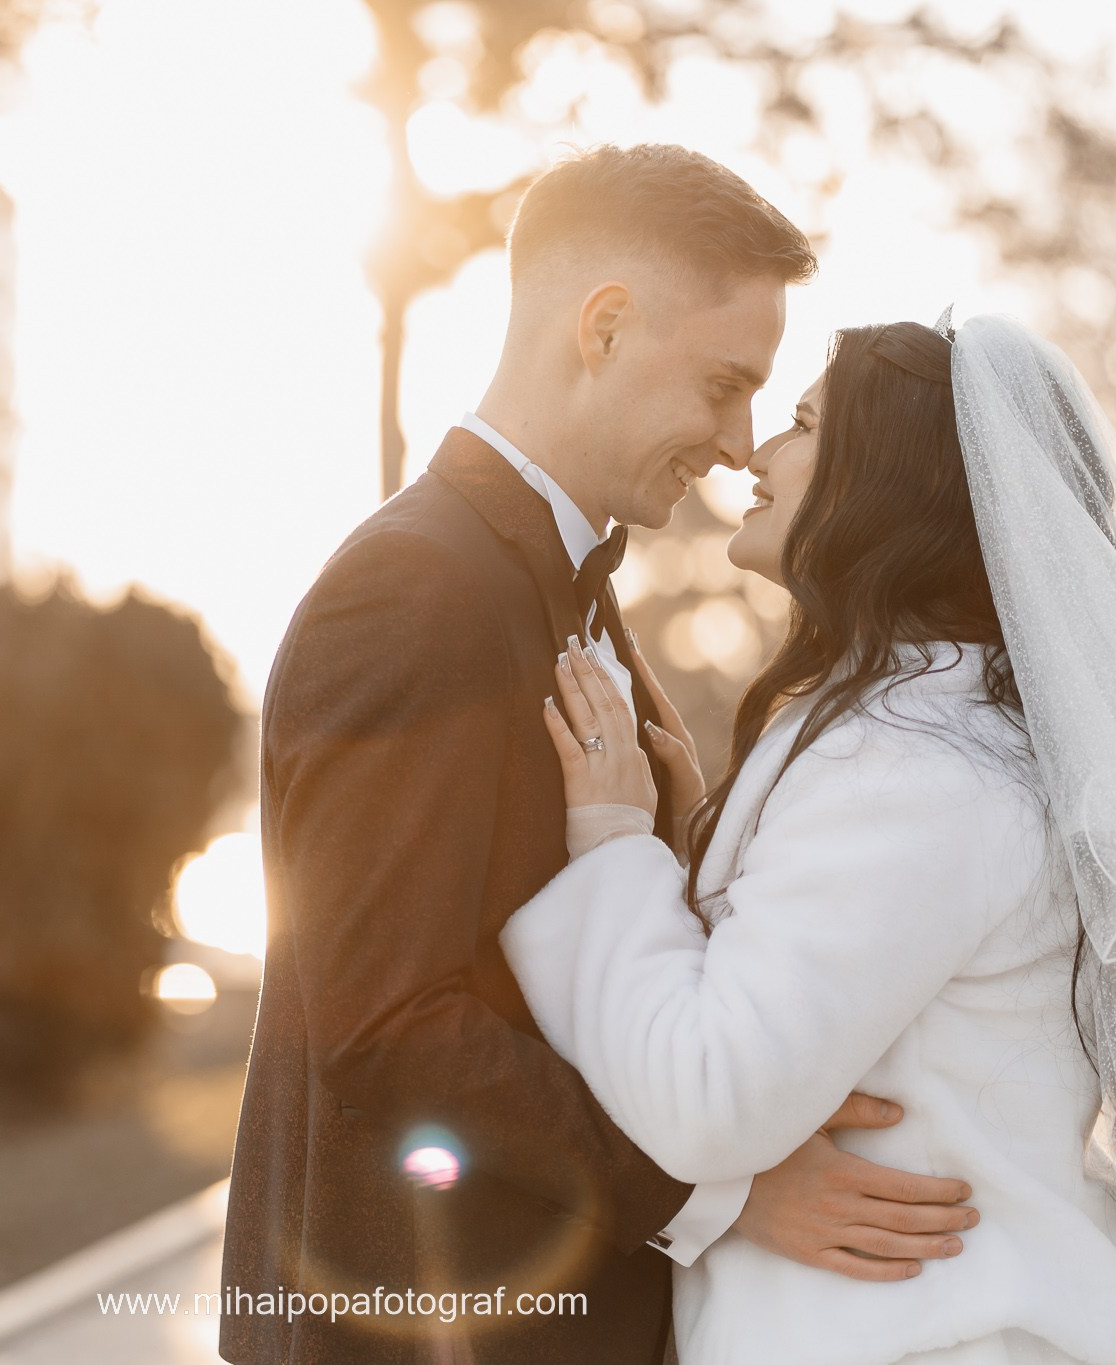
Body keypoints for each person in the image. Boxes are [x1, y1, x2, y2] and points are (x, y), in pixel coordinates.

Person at [220, 146, 983, 1365]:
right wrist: (713, 1194)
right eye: (726, 384)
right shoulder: (414, 590)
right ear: (606, 327)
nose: (740, 443)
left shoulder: (555, 586)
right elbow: (385, 1022)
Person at [504, 316, 1116, 1363]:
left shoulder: (914, 772)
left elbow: (709, 1096)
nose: (755, 451)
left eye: (803, 422)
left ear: (887, 484)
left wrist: (611, 846)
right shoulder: (927, 740)